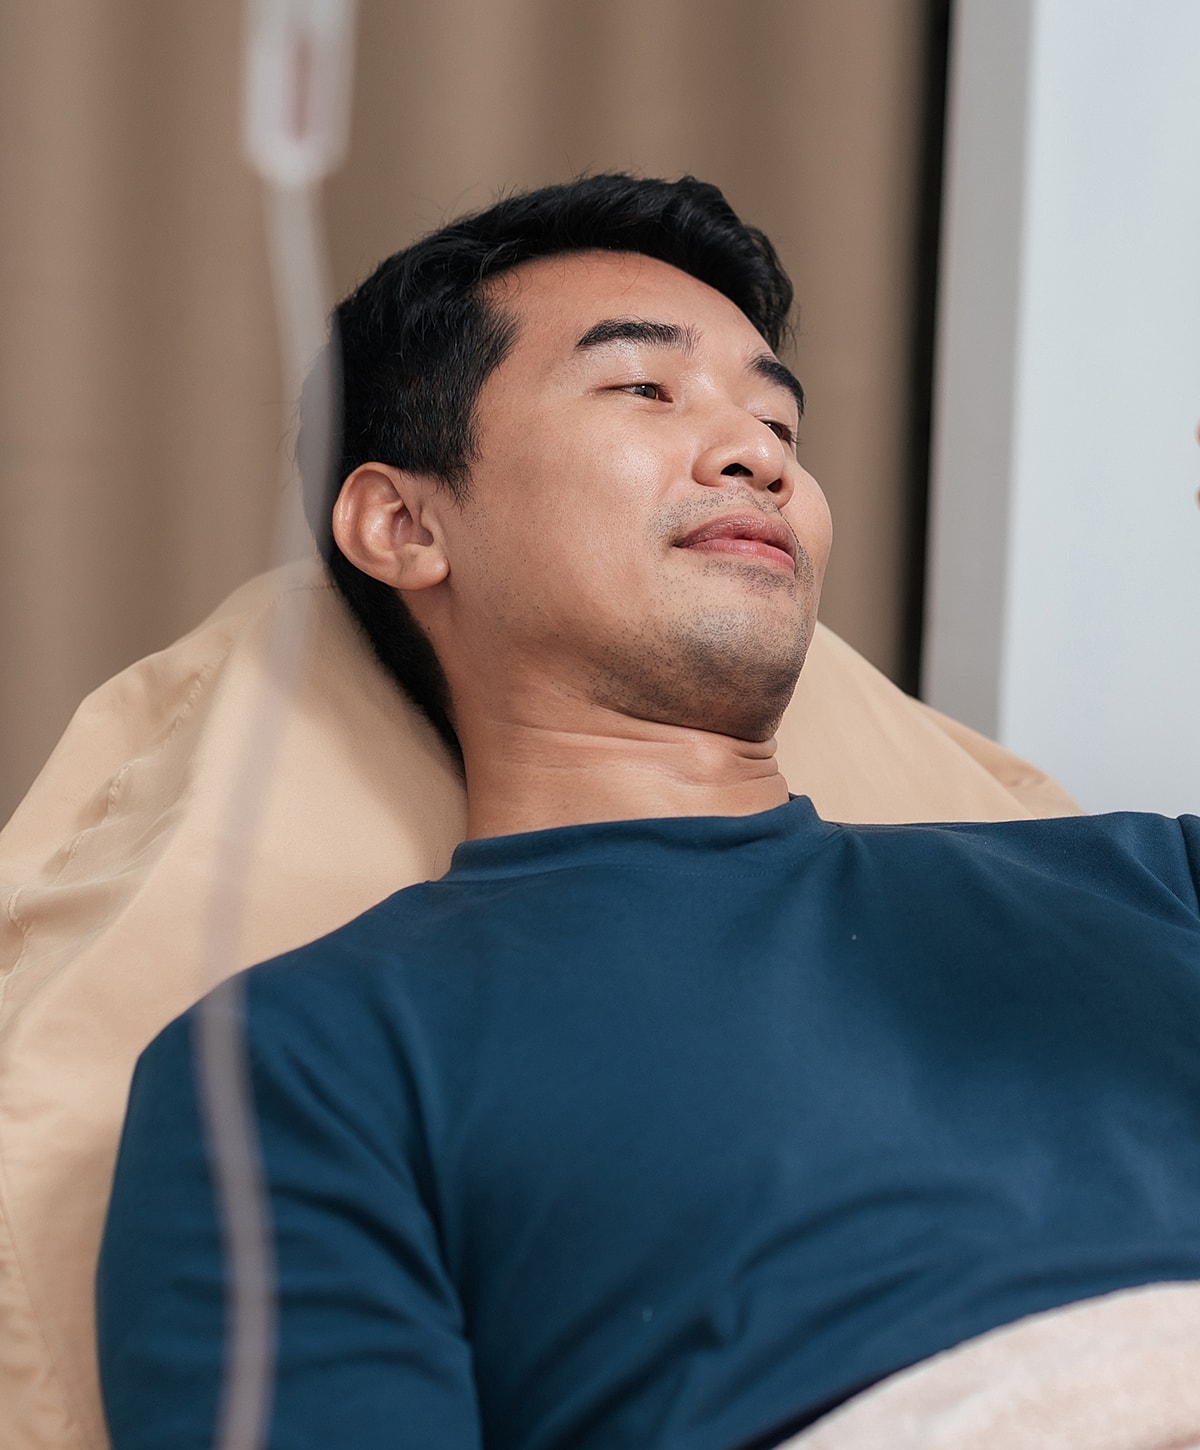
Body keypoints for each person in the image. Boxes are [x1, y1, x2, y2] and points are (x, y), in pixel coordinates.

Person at [96, 175, 1200, 1450]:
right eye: (645, 388)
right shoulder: (300, 1061)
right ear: (403, 520)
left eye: (777, 416)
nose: (758, 452)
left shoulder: (1153, 881)